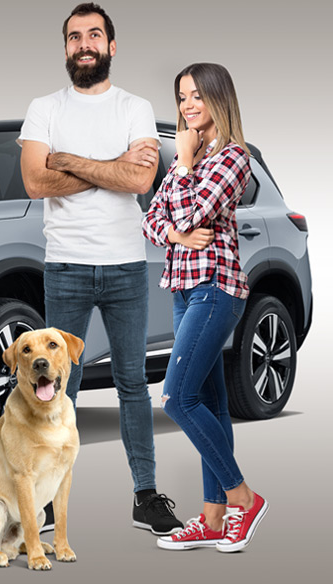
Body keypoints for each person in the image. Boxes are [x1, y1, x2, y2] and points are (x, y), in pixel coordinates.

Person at [19, 2, 183, 536]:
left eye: (94, 35)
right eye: (74, 37)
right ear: (66, 48)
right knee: (56, 387)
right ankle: (45, 503)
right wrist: (110, 166)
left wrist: (66, 159)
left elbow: (140, 181)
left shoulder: (135, 107)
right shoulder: (44, 108)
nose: (83, 44)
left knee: (132, 382)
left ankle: (145, 495)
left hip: (124, 266)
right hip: (64, 263)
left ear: (112, 46)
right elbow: (36, 184)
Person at [142, 63, 267, 552]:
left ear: (219, 98)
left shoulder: (235, 157)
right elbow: (153, 221)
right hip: (181, 288)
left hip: (216, 287)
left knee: (177, 397)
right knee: (210, 401)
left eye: (197, 95)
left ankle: (243, 498)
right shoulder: (187, 158)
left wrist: (185, 168)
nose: (188, 105)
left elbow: (195, 211)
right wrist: (176, 232)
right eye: (181, 97)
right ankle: (213, 519)